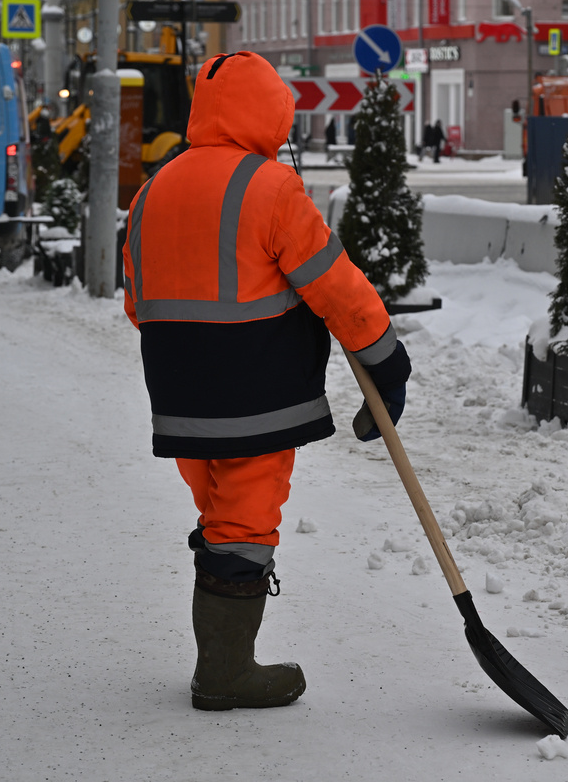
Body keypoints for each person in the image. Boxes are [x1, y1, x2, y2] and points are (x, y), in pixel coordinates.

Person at [121, 51, 411, 712]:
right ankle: (224, 673)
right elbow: (335, 286)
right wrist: (388, 362)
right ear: (273, 111)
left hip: (179, 398)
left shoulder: (153, 189)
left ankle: (220, 658)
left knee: (221, 517)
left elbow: (137, 301)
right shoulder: (272, 187)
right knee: (245, 522)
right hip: (257, 392)